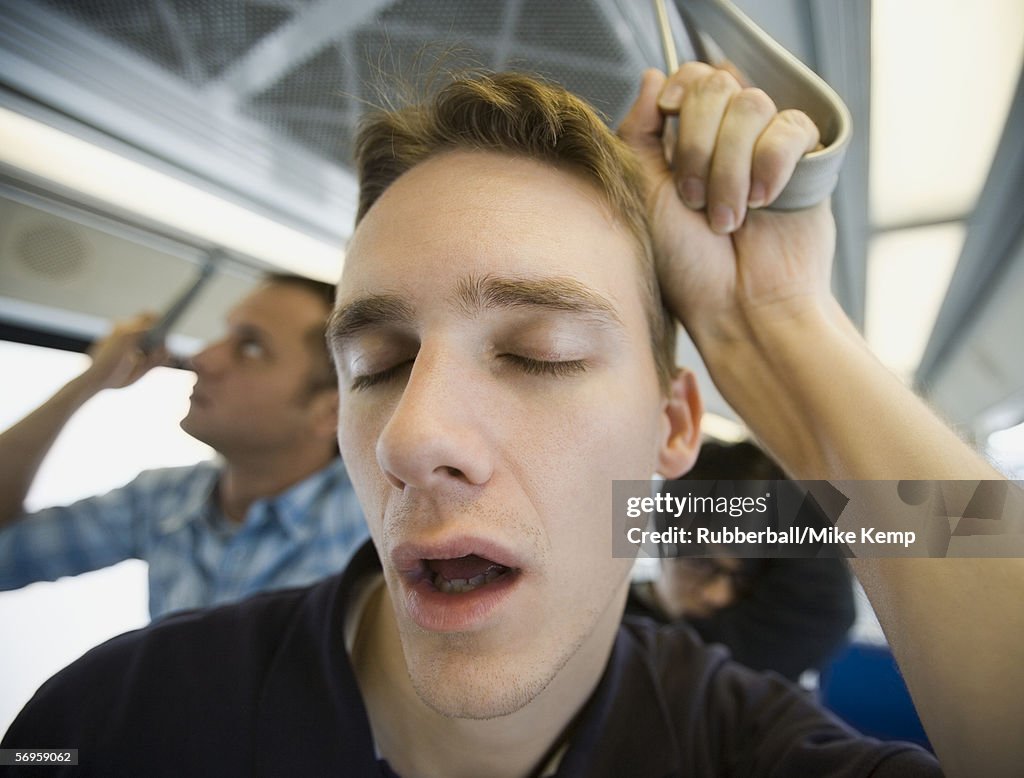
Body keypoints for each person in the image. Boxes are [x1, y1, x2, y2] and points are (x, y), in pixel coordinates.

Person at [3, 67, 1022, 777]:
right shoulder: (110, 722)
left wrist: (780, 328)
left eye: (539, 355)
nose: (413, 435)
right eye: (379, 365)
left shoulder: (741, 718)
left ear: (674, 431)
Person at [0, 273, 367, 619]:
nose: (201, 358)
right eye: (224, 335)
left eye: (251, 348)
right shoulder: (164, 497)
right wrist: (88, 381)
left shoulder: (371, 517)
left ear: (330, 410)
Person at [627, 440, 857, 681]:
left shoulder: (748, 636)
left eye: (743, 576)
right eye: (700, 563)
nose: (718, 596)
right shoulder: (613, 635)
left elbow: (825, 607)